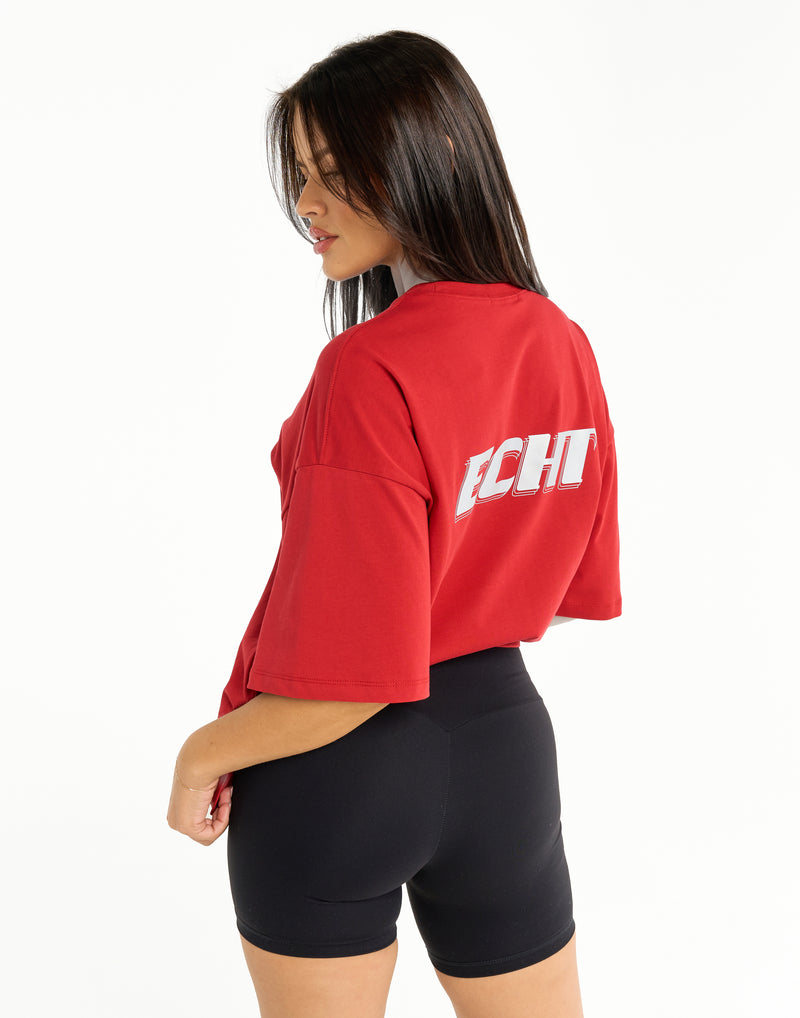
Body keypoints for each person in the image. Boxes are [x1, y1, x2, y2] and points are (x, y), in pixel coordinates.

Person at [167, 28, 621, 1018]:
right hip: (504, 754)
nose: (306, 203)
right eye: (299, 176)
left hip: (337, 773)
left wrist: (205, 751)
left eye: (333, 172)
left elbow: (356, 673)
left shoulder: (365, 370)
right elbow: (561, 585)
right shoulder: (561, 342)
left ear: (433, 153)